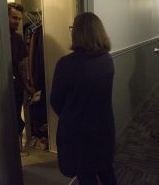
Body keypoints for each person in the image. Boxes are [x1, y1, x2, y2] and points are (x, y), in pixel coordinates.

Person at [50, 12, 117, 185]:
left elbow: (56, 101)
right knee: (106, 171)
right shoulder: (107, 60)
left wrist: (72, 112)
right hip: (103, 127)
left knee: (86, 176)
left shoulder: (66, 64)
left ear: (77, 33)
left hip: (78, 133)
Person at [8, 2, 35, 156]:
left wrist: (27, 85)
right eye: (14, 18)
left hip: (16, 85)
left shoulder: (17, 39)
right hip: (3, 86)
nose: (17, 22)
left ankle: (18, 147)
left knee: (17, 116)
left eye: (19, 19)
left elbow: (23, 65)